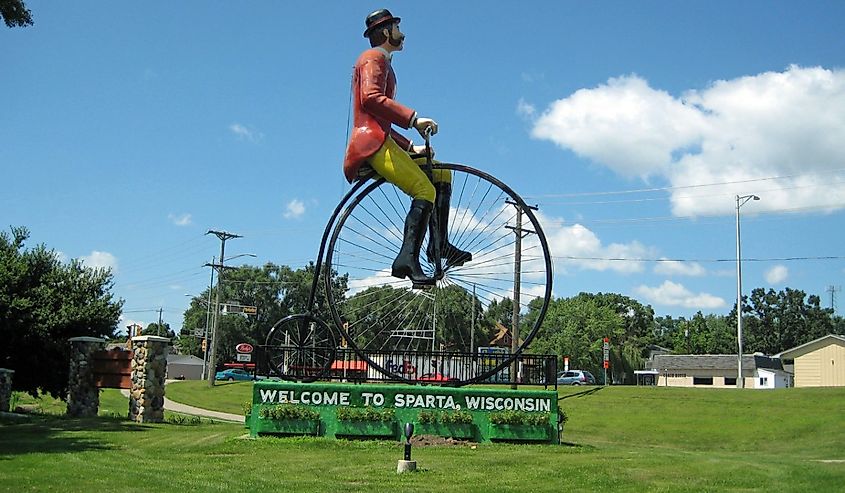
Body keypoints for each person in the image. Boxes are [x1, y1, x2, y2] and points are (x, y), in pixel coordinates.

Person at [343, 9, 471, 286]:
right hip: (370, 144)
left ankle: (439, 245)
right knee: (424, 189)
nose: (403, 33)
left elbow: (382, 121)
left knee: (440, 174)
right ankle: (406, 258)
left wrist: (411, 146)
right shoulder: (372, 58)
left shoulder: (384, 63)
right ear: (387, 31)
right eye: (398, 27)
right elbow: (370, 99)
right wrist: (413, 119)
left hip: (382, 138)